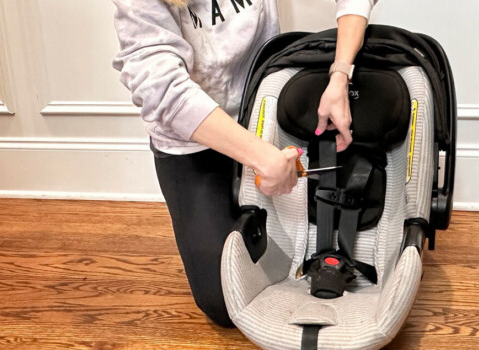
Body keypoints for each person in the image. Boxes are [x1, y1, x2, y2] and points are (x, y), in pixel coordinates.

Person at [111, 0, 377, 327]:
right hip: (194, 141)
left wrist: (340, 73)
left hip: (263, 111)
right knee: (225, 301)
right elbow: (161, 89)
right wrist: (262, 157)